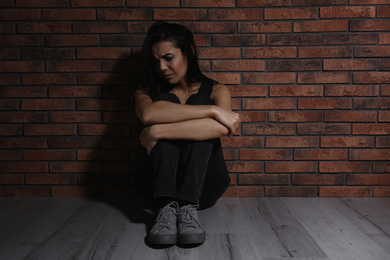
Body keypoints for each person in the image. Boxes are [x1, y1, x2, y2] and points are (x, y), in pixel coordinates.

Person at [135, 22, 240, 246]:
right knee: (167, 101)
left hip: (205, 185)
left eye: (168, 57)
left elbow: (224, 127)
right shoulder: (146, 90)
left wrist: (159, 130)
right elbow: (148, 114)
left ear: (189, 53)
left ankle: (188, 208)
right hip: (157, 187)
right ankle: (167, 208)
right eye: (156, 61)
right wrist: (212, 111)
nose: (162, 67)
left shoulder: (217, 90)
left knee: (199, 98)